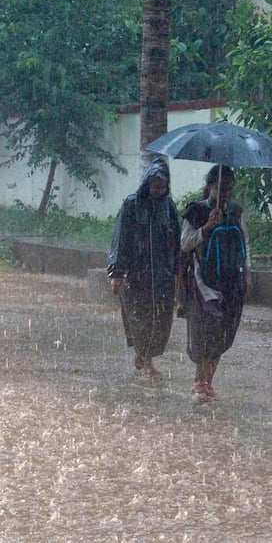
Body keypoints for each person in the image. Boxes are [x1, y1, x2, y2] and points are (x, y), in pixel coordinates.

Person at [180, 165, 251, 401]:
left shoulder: (235, 211)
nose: (225, 194)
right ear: (210, 186)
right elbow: (185, 243)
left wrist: (248, 274)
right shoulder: (196, 211)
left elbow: (245, 244)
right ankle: (198, 379)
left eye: (229, 189)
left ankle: (209, 380)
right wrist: (207, 228)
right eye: (221, 188)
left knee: (224, 331)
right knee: (206, 329)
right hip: (204, 282)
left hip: (232, 281)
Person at [107, 158, 181, 382]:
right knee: (139, 317)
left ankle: (145, 355)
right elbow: (120, 238)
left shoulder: (169, 208)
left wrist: (178, 271)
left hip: (162, 276)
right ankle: (148, 362)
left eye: (162, 186)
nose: (158, 190)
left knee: (161, 318)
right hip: (135, 274)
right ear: (146, 183)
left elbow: (175, 242)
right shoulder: (132, 205)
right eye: (154, 185)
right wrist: (117, 273)